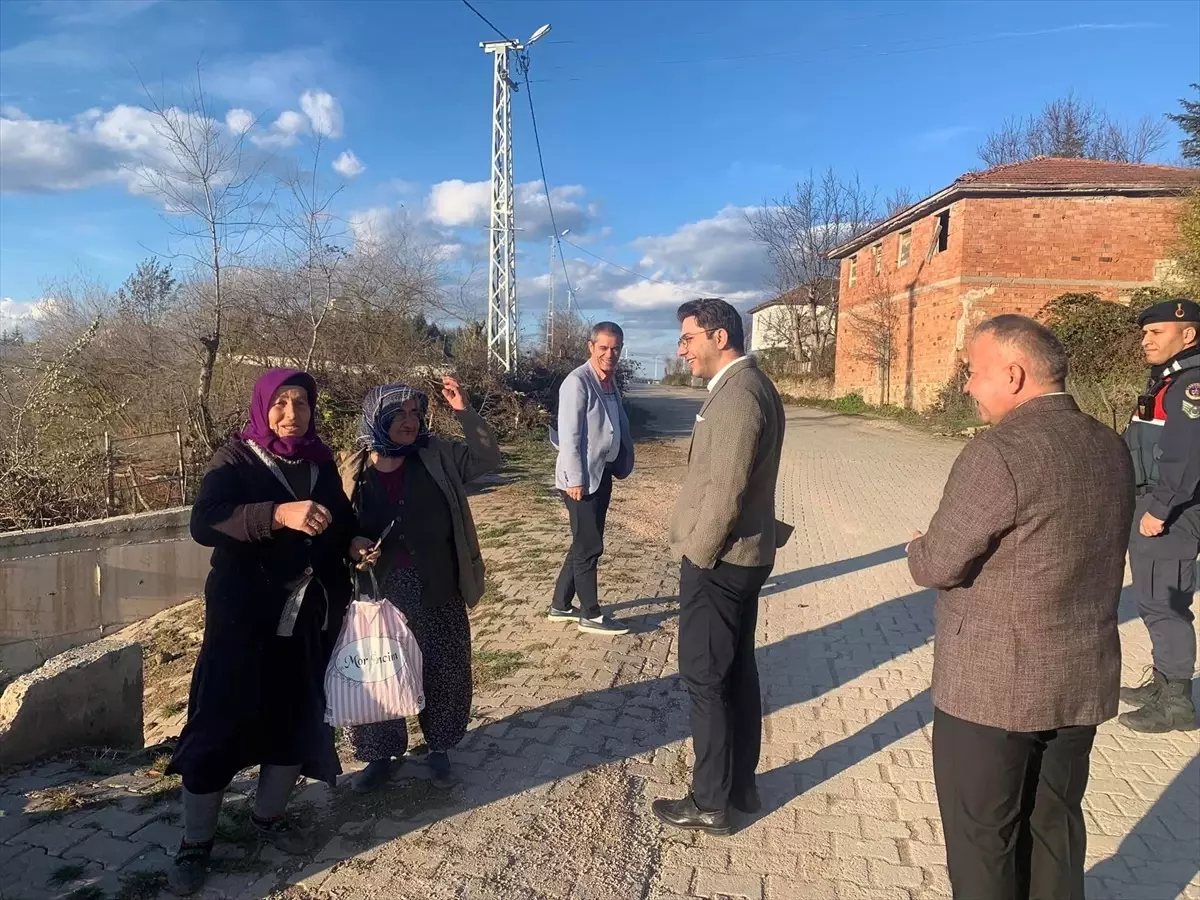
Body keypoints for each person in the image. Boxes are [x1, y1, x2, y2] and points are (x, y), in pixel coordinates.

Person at [906, 316, 1134, 900]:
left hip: (992, 691)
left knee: (985, 844)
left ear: (1013, 375)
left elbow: (938, 563)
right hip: (1079, 680)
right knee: (1056, 833)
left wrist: (915, 548)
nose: (966, 387)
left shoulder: (999, 453)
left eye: (973, 373)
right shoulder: (1110, 445)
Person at [168, 369, 370, 896]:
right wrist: (279, 513)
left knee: (294, 714)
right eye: (279, 402)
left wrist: (351, 544)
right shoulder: (234, 459)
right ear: (262, 406)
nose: (290, 412)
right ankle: (196, 842)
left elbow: (341, 521)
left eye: (300, 402)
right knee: (221, 721)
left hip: (306, 617)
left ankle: (269, 818)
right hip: (243, 617)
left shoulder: (320, 462)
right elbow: (205, 521)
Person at [652, 297, 787, 836]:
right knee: (736, 674)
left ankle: (710, 802)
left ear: (719, 337)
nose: (682, 349)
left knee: (705, 679)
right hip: (741, 558)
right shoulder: (747, 386)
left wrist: (698, 554)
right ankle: (741, 787)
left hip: (721, 560)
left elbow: (726, 489)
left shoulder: (737, 395)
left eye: (688, 338)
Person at [338, 376, 501, 793]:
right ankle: (380, 756)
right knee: (377, 673)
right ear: (379, 416)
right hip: (379, 593)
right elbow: (337, 526)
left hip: (437, 582)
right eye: (400, 413)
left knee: (444, 668)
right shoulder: (351, 468)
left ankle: (440, 749)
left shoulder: (437, 454)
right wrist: (350, 544)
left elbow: (486, 457)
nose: (410, 421)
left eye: (416, 412)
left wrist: (464, 411)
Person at [1118, 297, 1200, 733]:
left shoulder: (1192, 385)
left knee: (1164, 602)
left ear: (1187, 335)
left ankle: (1176, 703)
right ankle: (1164, 682)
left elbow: (1187, 457)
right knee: (1152, 598)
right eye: (1145, 333)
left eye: (1156, 332)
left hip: (1172, 509)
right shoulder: (1166, 380)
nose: (1145, 340)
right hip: (1156, 503)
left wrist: (1162, 509)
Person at [549, 322, 635, 635]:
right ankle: (591, 614)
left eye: (615, 349)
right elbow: (570, 437)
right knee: (590, 545)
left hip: (602, 472)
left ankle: (560, 605)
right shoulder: (577, 382)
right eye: (603, 348)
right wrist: (575, 479)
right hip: (580, 479)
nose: (609, 354)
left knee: (584, 541)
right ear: (591, 347)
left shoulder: (610, 382)